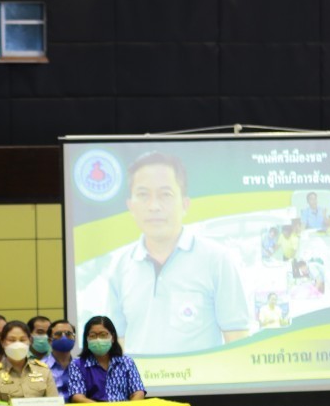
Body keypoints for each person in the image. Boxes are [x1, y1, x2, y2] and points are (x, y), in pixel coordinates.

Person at [98, 151, 250, 354]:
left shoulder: (217, 260)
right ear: (130, 206)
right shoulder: (120, 266)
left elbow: (237, 339)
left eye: (165, 195)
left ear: (185, 204)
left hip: (203, 376)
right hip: (138, 377)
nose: (154, 206)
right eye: (143, 195)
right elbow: (117, 342)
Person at [65, 316, 146, 403]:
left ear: (113, 337)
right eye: (93, 336)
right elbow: (77, 396)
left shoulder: (126, 362)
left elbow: (138, 392)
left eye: (103, 335)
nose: (98, 339)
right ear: (87, 339)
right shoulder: (77, 364)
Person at [0, 320, 59, 401]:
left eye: (22, 340)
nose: (18, 344)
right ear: (2, 343)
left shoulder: (44, 371)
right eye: (12, 340)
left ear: (30, 341)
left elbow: (54, 403)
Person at [42, 319, 76, 390]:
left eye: (68, 334)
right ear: (49, 340)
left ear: (74, 338)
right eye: (58, 334)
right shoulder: (40, 367)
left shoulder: (80, 366)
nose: (64, 338)